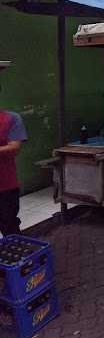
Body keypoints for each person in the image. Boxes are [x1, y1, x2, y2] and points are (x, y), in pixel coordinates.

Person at [0, 67, 28, 235]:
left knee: (9, 226)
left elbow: (14, 147)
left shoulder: (11, 118)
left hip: (5, 187)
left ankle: (19, 260)